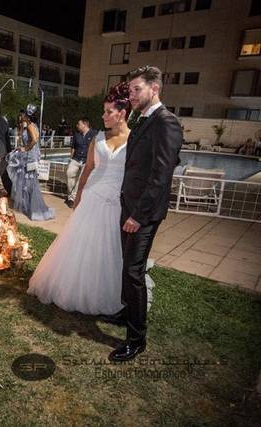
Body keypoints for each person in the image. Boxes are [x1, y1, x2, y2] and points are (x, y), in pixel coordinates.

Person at [28, 83, 131, 315]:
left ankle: (105, 291)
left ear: (122, 113)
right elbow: (87, 171)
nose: (103, 116)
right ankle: (71, 286)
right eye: (103, 111)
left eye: (108, 112)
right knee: (79, 244)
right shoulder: (98, 138)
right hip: (93, 198)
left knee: (108, 249)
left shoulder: (134, 140)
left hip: (116, 202)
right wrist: (78, 199)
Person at [106, 65, 183, 363]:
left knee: (133, 272)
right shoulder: (142, 120)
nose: (132, 95)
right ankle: (128, 313)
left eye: (137, 89)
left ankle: (136, 340)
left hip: (143, 213)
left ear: (155, 89)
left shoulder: (167, 123)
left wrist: (138, 215)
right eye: (130, 90)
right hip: (130, 206)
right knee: (128, 266)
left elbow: (161, 176)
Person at [6, 105, 55, 221]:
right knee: (29, 183)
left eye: (23, 115)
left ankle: (36, 210)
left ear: (27, 116)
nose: (21, 116)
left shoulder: (29, 126)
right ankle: (30, 207)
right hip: (31, 157)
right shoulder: (32, 126)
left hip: (30, 158)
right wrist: (22, 147)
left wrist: (25, 148)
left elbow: (34, 140)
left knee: (31, 183)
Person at [66, 117, 97, 208]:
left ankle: (73, 198)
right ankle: (72, 195)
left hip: (87, 161)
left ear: (85, 124)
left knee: (80, 180)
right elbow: (73, 147)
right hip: (76, 159)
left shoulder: (95, 134)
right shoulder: (77, 135)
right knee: (69, 173)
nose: (77, 126)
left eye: (78, 124)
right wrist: (70, 158)